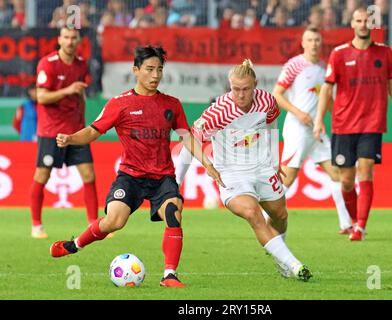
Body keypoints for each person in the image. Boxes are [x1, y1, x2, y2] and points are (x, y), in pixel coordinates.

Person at [49, 45, 223, 288]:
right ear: (136, 70)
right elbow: (92, 131)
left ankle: (169, 275)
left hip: (162, 178)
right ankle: (74, 244)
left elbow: (187, 137)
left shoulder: (171, 104)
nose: (155, 75)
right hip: (130, 177)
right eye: (150, 69)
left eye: (159, 70)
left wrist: (208, 164)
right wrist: (70, 138)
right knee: (114, 222)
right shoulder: (120, 104)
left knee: (173, 213)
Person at [189, 59, 312, 281]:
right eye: (236, 89)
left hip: (262, 167)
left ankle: (280, 258)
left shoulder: (267, 102)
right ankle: (294, 265)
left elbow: (271, 125)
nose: (241, 95)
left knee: (280, 215)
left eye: (246, 89)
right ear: (230, 86)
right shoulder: (219, 111)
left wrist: (274, 160)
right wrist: (205, 166)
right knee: (252, 212)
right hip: (232, 173)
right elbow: (189, 137)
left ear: (255, 84)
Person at [313, 7, 392, 241]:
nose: (363, 24)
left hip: (372, 123)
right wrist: (319, 120)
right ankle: (356, 220)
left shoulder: (385, 53)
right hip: (343, 124)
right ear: (352, 24)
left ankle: (361, 227)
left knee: (366, 169)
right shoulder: (339, 54)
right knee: (346, 181)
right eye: (358, 20)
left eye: (367, 21)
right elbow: (326, 89)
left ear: (372, 24)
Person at [273, 26, 352, 234]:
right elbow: (277, 94)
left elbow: (325, 97)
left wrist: (328, 118)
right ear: (303, 43)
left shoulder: (324, 68)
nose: (314, 44)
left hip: (317, 130)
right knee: (288, 177)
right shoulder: (294, 65)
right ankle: (265, 215)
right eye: (310, 40)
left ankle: (346, 224)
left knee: (336, 172)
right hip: (297, 128)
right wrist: (298, 113)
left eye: (317, 40)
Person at [31, 26, 98, 239]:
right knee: (42, 175)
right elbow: (41, 97)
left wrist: (83, 122)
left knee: (89, 174)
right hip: (51, 131)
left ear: (79, 41)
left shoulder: (81, 65)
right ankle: (36, 226)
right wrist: (67, 90)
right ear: (59, 39)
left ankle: (94, 225)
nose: (69, 41)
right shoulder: (47, 64)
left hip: (75, 131)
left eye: (73, 38)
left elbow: (81, 97)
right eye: (66, 37)